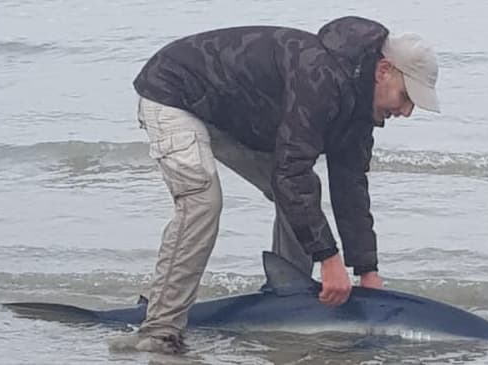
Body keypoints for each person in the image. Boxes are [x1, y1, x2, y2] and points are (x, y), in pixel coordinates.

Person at [117, 15, 439, 353]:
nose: (406, 112)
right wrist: (328, 257)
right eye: (405, 97)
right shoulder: (320, 76)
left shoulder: (360, 108)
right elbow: (290, 174)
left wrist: (367, 270)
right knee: (203, 201)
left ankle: (286, 295)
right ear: (383, 71)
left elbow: (351, 188)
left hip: (230, 114)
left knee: (303, 196)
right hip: (174, 92)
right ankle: (158, 330)